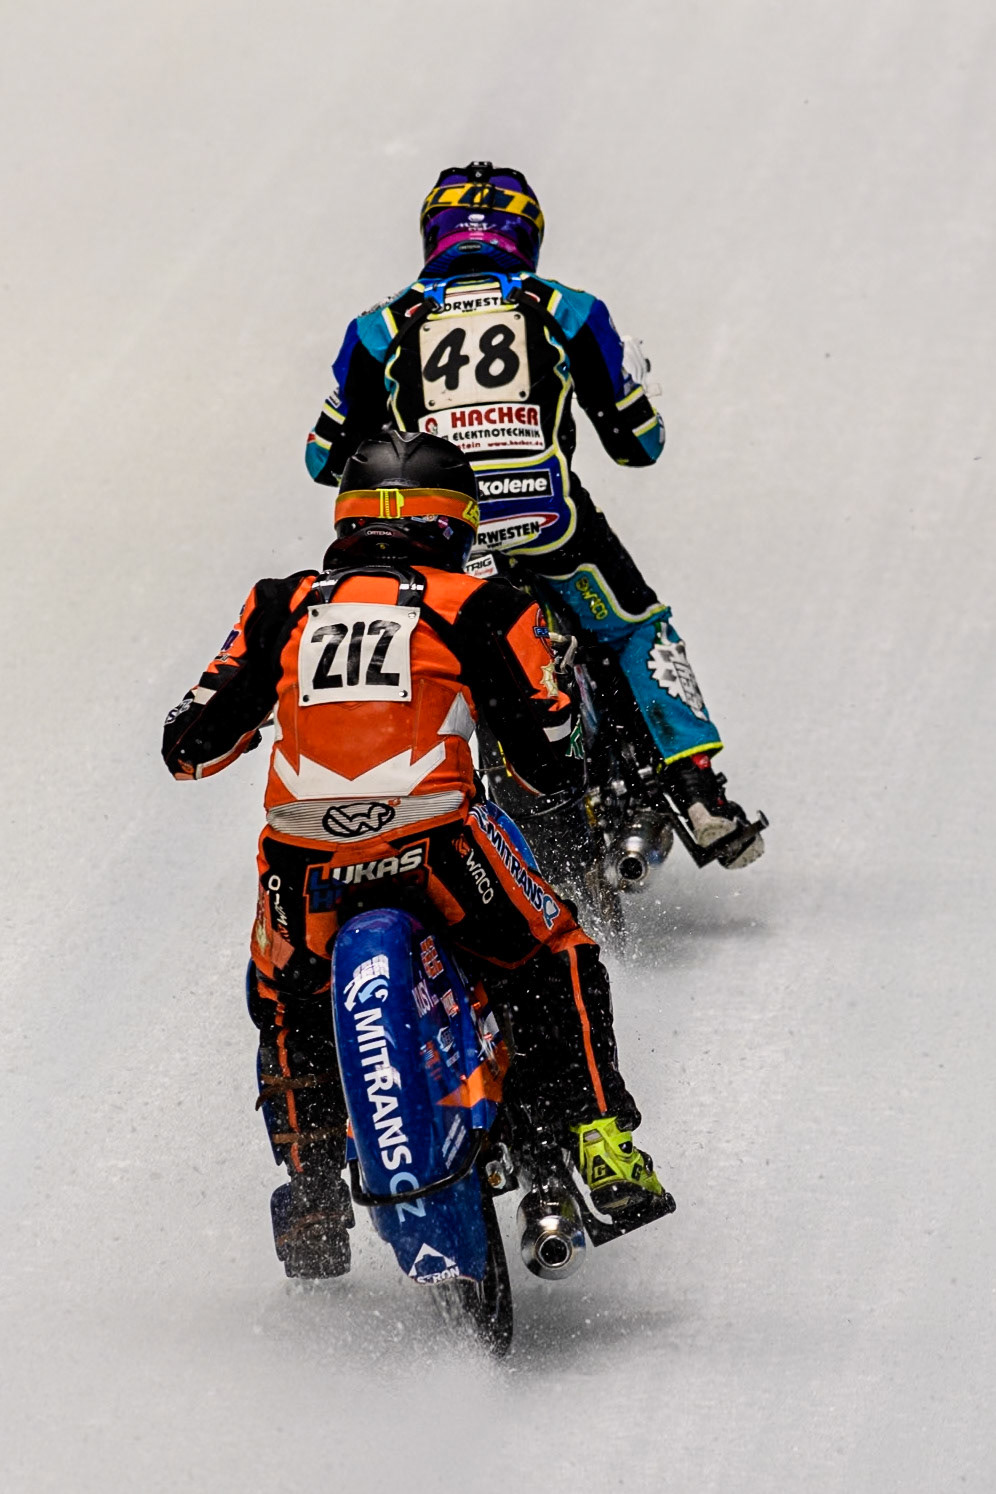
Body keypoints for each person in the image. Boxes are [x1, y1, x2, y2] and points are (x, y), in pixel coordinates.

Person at [163, 431, 668, 1278]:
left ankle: (314, 1192)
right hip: (434, 839)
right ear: (457, 521)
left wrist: (259, 721)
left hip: (303, 862)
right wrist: (565, 739)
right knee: (552, 950)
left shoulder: (280, 604)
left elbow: (189, 745)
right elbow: (550, 751)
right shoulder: (479, 603)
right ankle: (596, 1137)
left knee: (285, 998)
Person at [305, 161, 763, 868]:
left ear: (432, 233)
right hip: (553, 529)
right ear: (530, 236)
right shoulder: (568, 309)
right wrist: (632, 381)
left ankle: (371, 797)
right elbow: (639, 446)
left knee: (398, 645)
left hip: (433, 540)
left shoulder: (379, 326)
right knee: (637, 628)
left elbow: (323, 461)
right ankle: (699, 793)